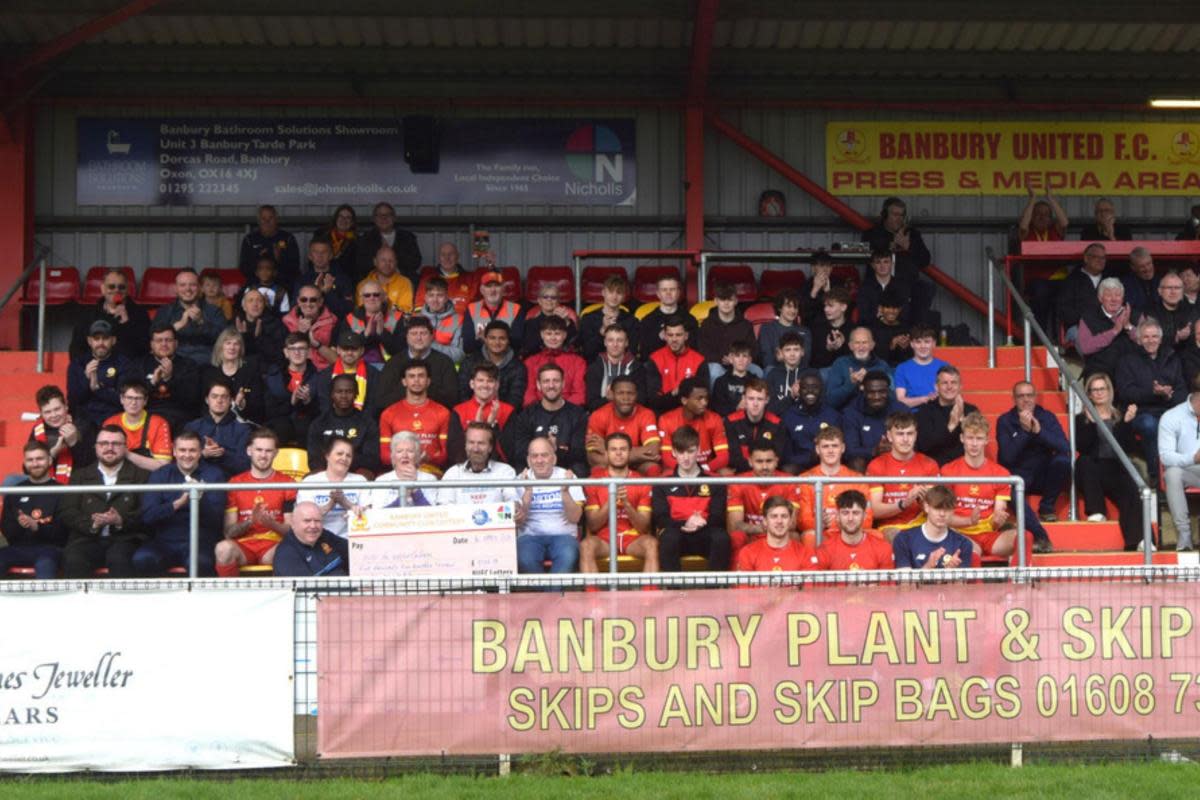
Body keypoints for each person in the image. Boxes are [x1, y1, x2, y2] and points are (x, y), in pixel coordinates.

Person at [59, 424, 149, 578]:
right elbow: (67, 511)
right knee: (74, 558)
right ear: (95, 447)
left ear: (125, 447)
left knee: (119, 558)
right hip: (86, 538)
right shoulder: (79, 476)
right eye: (104, 444)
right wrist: (92, 524)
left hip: (126, 539)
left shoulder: (142, 476)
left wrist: (121, 521)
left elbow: (147, 512)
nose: (109, 448)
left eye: (116, 444)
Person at [135, 431, 226, 576]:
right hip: (164, 540)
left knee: (199, 563)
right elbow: (147, 516)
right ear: (174, 452)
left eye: (192, 450)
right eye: (182, 450)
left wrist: (199, 499)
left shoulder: (214, 474)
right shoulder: (160, 474)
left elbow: (217, 520)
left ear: (200, 452)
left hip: (199, 541)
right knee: (143, 558)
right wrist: (177, 504)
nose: (187, 455)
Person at [940, 413, 1023, 560]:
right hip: (959, 533)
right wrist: (969, 521)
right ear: (962, 439)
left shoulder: (1000, 473)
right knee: (972, 551)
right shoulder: (948, 471)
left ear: (986, 440)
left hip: (989, 534)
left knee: (1023, 537)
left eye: (979, 439)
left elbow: (997, 517)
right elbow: (944, 517)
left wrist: (998, 519)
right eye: (970, 438)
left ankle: (1018, 582)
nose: (974, 443)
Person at [1115, 318, 1186, 486]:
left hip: (1169, 410)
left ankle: (1187, 475)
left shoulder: (1172, 358)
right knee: (1150, 425)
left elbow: (1182, 392)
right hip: (1140, 413)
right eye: (1146, 337)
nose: (1151, 340)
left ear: (1160, 339)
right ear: (1139, 339)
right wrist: (1153, 393)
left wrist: (1168, 396)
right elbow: (1126, 392)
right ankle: (1157, 475)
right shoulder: (1127, 360)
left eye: (1154, 336)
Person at [216, 428, 296, 576]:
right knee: (223, 549)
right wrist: (250, 522)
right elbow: (228, 532)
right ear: (249, 451)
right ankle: (229, 597)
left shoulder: (287, 483)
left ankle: (279, 597)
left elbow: (292, 531)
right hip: (244, 547)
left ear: (276, 453)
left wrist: (270, 523)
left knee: (291, 550)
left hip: (273, 547)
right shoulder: (235, 483)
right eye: (259, 450)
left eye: (268, 451)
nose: (263, 455)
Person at [1076, 372, 1142, 549]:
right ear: (1088, 394)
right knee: (1084, 462)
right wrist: (1091, 424)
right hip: (1094, 469)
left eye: (1102, 389)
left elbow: (1127, 447)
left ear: (1109, 391)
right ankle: (1097, 511)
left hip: (1115, 468)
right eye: (1094, 390)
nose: (1098, 393)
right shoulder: (1081, 419)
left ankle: (1138, 541)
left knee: (1131, 488)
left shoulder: (1119, 416)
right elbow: (1082, 447)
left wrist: (1126, 423)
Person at [652, 426, 731, 572]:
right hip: (677, 531)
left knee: (721, 538)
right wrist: (685, 522)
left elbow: (718, 517)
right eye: (681, 452)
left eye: (690, 451)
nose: (686, 458)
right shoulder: (662, 482)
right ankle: (674, 593)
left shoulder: (715, 481)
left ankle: (715, 592)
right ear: (673, 452)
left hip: (705, 531)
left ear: (699, 450)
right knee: (668, 538)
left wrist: (702, 523)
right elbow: (660, 518)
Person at [580, 433, 659, 574]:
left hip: (633, 538)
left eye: (623, 449)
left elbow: (643, 526)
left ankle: (650, 596)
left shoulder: (642, 482)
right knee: (586, 546)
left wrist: (626, 504)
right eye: (613, 449)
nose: (618, 453)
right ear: (606, 453)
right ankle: (592, 596)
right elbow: (593, 525)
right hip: (604, 539)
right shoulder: (594, 481)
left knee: (652, 544)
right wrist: (612, 501)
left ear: (629, 452)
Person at [997, 381, 1072, 523]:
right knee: (1008, 481)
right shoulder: (1005, 420)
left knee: (1063, 461)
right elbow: (1006, 458)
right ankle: (1029, 521)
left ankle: (1047, 508)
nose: (1026, 400)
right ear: (1014, 398)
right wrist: (1024, 432)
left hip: (1043, 476)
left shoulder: (1047, 417)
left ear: (1035, 397)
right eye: (1021, 396)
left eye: (1029, 395)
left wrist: (1039, 432)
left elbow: (1064, 447)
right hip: (1019, 475)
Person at [792, 426, 873, 544]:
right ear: (817, 449)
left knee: (875, 535)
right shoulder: (805, 479)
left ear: (843, 448)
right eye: (825, 446)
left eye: (834, 446)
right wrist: (820, 523)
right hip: (821, 533)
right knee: (810, 535)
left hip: (851, 533)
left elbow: (868, 520)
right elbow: (802, 521)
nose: (830, 451)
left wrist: (840, 523)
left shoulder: (857, 479)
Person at [514, 436, 583, 575]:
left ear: (554, 458)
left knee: (568, 556)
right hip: (530, 537)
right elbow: (518, 521)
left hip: (563, 536)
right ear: (528, 460)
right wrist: (528, 491)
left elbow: (575, 517)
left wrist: (565, 492)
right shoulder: (520, 479)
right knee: (525, 559)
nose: (539, 460)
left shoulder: (568, 476)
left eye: (544, 455)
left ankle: (546, 595)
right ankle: (550, 595)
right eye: (534, 456)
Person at [867, 411, 940, 539]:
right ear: (889, 436)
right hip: (890, 527)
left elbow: (937, 511)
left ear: (916, 435)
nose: (906, 439)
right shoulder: (876, 465)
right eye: (900, 434)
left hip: (923, 527)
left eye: (910, 433)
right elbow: (875, 510)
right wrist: (904, 503)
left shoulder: (929, 464)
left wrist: (923, 501)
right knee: (900, 540)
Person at [507, 363, 589, 477]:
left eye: (556, 381)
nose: (551, 385)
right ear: (538, 385)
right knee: (520, 469)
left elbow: (580, 453)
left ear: (563, 384)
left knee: (580, 468)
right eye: (546, 381)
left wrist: (557, 451)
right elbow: (520, 452)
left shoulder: (578, 414)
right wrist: (545, 449)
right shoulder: (526, 415)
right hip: (535, 468)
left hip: (566, 469)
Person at [0, 442, 67, 579]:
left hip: (51, 549)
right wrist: (20, 525)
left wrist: (37, 527)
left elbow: (64, 533)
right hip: (17, 548)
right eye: (30, 460)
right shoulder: (14, 492)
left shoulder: (63, 491)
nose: (35, 464)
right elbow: (7, 530)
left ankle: (45, 601)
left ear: (49, 460)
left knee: (45, 563)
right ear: (24, 463)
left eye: (39, 459)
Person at [861, 197, 933, 322]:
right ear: (884, 215)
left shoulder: (912, 234)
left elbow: (925, 260)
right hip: (879, 282)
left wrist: (908, 246)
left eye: (902, 215)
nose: (899, 218)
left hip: (907, 283)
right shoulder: (871, 234)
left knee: (925, 288)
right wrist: (891, 245)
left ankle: (917, 333)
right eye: (895, 214)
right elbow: (868, 257)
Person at [726, 439, 796, 565]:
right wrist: (761, 528)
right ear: (750, 461)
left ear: (776, 461)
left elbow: (792, 523)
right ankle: (737, 582)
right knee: (736, 537)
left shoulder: (788, 481)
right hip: (752, 534)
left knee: (795, 536)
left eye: (769, 461)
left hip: (779, 532)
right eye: (759, 461)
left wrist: (769, 529)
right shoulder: (738, 482)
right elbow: (735, 525)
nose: (764, 467)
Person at [377, 359, 452, 474]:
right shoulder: (389, 414)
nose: (416, 380)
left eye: (421, 376)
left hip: (431, 472)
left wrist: (430, 458)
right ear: (404, 381)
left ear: (428, 381)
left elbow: (446, 454)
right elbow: (384, 455)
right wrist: (407, 460)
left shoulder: (443, 413)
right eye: (411, 376)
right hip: (399, 472)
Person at [374, 316, 460, 410]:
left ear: (432, 336)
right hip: (401, 417)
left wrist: (425, 388)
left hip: (434, 417)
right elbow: (380, 402)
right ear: (406, 337)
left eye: (423, 333)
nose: (419, 338)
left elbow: (453, 400)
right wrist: (409, 389)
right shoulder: (393, 363)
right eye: (414, 333)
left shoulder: (445, 363)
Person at [68, 268, 150, 362]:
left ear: (127, 289)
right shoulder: (88, 315)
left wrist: (127, 325)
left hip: (129, 370)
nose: (116, 290)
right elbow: (76, 349)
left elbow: (145, 348)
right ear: (102, 289)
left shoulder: (140, 314)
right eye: (111, 287)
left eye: (121, 287)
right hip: (97, 369)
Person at [585, 375, 661, 475]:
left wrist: (610, 449)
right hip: (609, 465)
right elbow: (593, 458)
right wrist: (637, 454)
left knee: (653, 468)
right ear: (611, 395)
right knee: (597, 470)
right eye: (620, 393)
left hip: (635, 465)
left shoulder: (646, 414)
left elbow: (653, 450)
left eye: (630, 393)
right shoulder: (598, 415)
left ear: (637, 395)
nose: (626, 398)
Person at [296, 437, 369, 540]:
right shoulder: (310, 481)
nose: (344, 458)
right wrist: (330, 504)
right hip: (318, 539)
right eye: (339, 454)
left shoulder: (360, 480)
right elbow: (304, 518)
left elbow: (369, 516)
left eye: (348, 455)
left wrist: (345, 502)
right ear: (327, 455)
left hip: (352, 539)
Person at [307, 374, 381, 476]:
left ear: (356, 394)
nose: (344, 396)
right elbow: (314, 460)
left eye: (349, 391)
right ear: (332, 394)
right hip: (327, 473)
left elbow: (371, 459)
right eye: (339, 391)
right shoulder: (319, 423)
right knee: (312, 475)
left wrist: (342, 461)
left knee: (367, 474)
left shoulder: (367, 422)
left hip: (356, 473)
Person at [1159, 373, 1200, 551]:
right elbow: (1166, 457)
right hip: (1190, 469)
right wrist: (1193, 457)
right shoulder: (1172, 417)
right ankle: (1184, 535)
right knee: (1172, 473)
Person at [437, 422, 521, 507]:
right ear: (465, 445)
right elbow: (444, 510)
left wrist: (516, 507)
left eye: (481, 443)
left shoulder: (504, 471)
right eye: (471, 442)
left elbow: (512, 501)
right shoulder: (452, 474)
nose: (476, 449)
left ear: (490, 447)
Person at [891, 485, 975, 570]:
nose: (942, 514)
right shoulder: (904, 539)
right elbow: (905, 583)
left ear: (953, 511)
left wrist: (952, 575)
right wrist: (927, 568)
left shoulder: (963, 544)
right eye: (937, 508)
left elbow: (962, 583)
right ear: (926, 507)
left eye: (947, 509)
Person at [657, 378, 730, 474]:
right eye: (699, 399)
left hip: (705, 468)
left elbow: (723, 456)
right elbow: (666, 458)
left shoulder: (714, 419)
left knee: (726, 473)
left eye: (706, 398)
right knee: (667, 473)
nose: (704, 403)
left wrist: (702, 469)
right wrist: (686, 470)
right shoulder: (666, 420)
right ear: (684, 400)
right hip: (678, 469)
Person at [137, 324, 201, 432]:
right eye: (159, 340)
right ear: (151, 344)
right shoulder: (140, 365)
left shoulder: (189, 365)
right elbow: (134, 399)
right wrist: (152, 383)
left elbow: (192, 400)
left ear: (176, 343)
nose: (164, 344)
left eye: (168, 340)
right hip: (149, 416)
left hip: (180, 417)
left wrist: (169, 379)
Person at [184, 378, 252, 478]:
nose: (219, 400)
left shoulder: (243, 430)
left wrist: (222, 454)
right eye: (214, 396)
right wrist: (203, 454)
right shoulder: (192, 427)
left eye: (224, 397)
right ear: (207, 400)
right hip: (196, 483)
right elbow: (181, 461)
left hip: (230, 484)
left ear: (231, 401)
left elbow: (246, 466)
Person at [156, 268, 226, 365]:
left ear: (200, 288)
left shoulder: (214, 311)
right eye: (182, 285)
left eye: (192, 285)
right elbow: (154, 341)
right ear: (175, 289)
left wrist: (202, 322)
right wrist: (177, 326)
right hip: (173, 363)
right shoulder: (165, 311)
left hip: (206, 364)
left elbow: (225, 339)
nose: (187, 289)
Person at [28, 385, 96, 484]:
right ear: (41, 414)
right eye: (47, 412)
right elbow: (27, 468)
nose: (54, 415)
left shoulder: (83, 424)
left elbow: (92, 464)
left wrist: (74, 443)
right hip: (46, 480)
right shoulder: (38, 430)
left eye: (57, 409)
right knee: (11, 480)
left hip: (79, 480)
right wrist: (52, 454)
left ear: (66, 407)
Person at [67, 319, 129, 426]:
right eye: (96, 339)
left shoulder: (123, 363)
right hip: (84, 419)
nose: (101, 343)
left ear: (113, 340)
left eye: (105, 338)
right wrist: (85, 378)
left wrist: (98, 388)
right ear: (89, 341)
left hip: (113, 417)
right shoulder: (78, 364)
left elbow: (124, 400)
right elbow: (73, 400)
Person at [583, 323, 657, 411]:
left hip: (630, 418)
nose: (615, 344)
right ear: (605, 342)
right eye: (610, 340)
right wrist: (607, 399)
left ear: (626, 343)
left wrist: (615, 396)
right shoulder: (594, 368)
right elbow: (591, 404)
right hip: (602, 418)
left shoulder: (637, 368)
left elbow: (642, 400)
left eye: (620, 340)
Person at [1078, 276, 1142, 378]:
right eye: (1108, 295)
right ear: (1100, 298)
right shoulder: (1088, 318)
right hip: (1100, 371)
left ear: (1122, 298)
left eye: (1117, 295)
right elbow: (1086, 347)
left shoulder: (1136, 315)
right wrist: (1114, 331)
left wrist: (1129, 327)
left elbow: (1148, 341)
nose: (1114, 299)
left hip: (1133, 370)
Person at [734, 495, 818, 573]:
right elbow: (744, 588)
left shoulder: (806, 553)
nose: (779, 521)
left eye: (784, 516)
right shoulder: (747, 553)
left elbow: (809, 588)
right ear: (765, 521)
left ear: (790, 521)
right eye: (774, 516)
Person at [262, 333, 319, 446]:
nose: (297, 352)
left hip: (307, 431)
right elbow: (269, 411)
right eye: (292, 349)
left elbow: (322, 412)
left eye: (301, 348)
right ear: (286, 352)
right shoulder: (273, 376)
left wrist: (307, 402)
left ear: (308, 352)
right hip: (280, 430)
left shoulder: (319, 378)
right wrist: (291, 403)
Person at [816, 490, 895, 571]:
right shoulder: (825, 550)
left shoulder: (883, 548)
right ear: (838, 516)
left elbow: (888, 583)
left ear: (864, 516)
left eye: (856, 513)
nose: (850, 518)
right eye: (845, 513)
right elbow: (819, 583)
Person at [915, 365, 979, 466]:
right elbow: (924, 445)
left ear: (960, 386)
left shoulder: (971, 411)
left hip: (964, 469)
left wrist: (963, 421)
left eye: (954, 382)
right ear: (936, 387)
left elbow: (977, 444)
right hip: (934, 469)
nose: (949, 387)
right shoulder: (925, 411)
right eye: (945, 383)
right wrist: (951, 425)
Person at [842, 371, 904, 472]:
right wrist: (874, 450)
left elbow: (913, 444)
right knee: (856, 462)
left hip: (896, 458)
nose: (877, 397)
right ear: (864, 391)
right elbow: (849, 450)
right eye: (871, 392)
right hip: (867, 461)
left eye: (881, 392)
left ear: (888, 391)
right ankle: (860, 488)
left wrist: (896, 447)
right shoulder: (851, 412)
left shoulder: (901, 410)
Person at [105, 379, 172, 473]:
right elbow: (105, 460)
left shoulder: (159, 423)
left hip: (148, 479)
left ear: (145, 401)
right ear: (121, 399)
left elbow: (164, 466)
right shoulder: (110, 422)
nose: (133, 402)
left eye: (138, 398)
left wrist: (126, 454)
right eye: (129, 398)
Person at [453, 363, 516, 462]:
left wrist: (492, 427)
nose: (485, 385)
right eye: (480, 380)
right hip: (466, 469)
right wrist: (476, 427)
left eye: (490, 381)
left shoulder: (508, 410)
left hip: (499, 468)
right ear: (472, 384)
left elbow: (510, 452)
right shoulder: (459, 410)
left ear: (497, 385)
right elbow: (455, 452)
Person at [458, 320, 526, 410]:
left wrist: (499, 414)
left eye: (502, 338)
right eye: (492, 338)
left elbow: (515, 398)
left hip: (504, 416)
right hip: (472, 413)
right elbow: (462, 392)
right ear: (485, 339)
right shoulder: (470, 362)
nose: (497, 342)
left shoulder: (518, 366)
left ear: (508, 340)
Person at [648, 315, 710, 414]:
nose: (674, 339)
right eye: (670, 335)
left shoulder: (699, 360)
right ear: (665, 336)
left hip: (691, 413)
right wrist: (674, 394)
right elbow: (653, 400)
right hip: (663, 413)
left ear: (686, 336)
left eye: (678, 335)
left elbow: (704, 396)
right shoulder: (655, 359)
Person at [781, 373, 842, 472]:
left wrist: (821, 455)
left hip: (827, 464)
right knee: (788, 469)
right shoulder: (789, 416)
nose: (810, 391)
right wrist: (808, 458)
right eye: (805, 388)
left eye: (815, 387)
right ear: (799, 391)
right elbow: (785, 456)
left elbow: (839, 449)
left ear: (821, 391)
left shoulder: (833, 416)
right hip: (799, 466)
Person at [202, 328, 265, 423]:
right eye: (228, 343)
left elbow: (259, 406)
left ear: (241, 348)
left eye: (236, 344)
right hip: (215, 421)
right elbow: (203, 406)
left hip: (244, 422)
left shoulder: (251, 371)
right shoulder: (209, 373)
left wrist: (243, 406)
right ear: (220, 347)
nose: (232, 347)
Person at [271, 501, 349, 577]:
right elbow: (306, 588)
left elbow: (352, 552)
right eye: (307, 521)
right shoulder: (286, 555)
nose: (313, 526)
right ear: (293, 524)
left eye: (317, 521)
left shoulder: (323, 535)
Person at [522, 315, 586, 407]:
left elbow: (579, 394)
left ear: (564, 335)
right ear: (542, 335)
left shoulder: (578, 362)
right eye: (549, 333)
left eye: (557, 333)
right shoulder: (530, 362)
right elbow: (529, 394)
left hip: (569, 413)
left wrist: (562, 410)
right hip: (537, 413)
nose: (553, 338)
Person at [724, 378, 786, 473]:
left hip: (768, 473)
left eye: (760, 399)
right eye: (751, 399)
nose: (755, 404)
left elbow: (778, 458)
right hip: (740, 473)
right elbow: (733, 458)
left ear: (767, 400)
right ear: (744, 399)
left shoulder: (777, 424)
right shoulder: (731, 421)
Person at [823, 327, 892, 410]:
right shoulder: (841, 363)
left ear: (872, 345)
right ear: (850, 346)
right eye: (857, 343)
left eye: (865, 342)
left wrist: (870, 383)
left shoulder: (882, 365)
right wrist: (851, 384)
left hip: (877, 414)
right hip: (846, 415)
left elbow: (893, 397)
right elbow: (830, 401)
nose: (861, 347)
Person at [311, 330, 378, 414]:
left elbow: (373, 405)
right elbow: (325, 406)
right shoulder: (326, 375)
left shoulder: (373, 374)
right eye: (345, 349)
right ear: (338, 350)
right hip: (333, 423)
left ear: (362, 351)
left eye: (354, 349)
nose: (349, 352)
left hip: (364, 423)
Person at [342, 279, 405, 368]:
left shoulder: (397, 317)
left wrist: (382, 333)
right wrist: (365, 335)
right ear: (361, 299)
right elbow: (345, 349)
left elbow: (400, 351)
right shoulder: (350, 318)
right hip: (357, 367)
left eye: (376, 295)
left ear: (383, 297)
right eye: (367, 295)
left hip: (390, 367)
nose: (372, 298)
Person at [355, 201, 421, 284]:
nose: (384, 218)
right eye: (380, 215)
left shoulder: (407, 237)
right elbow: (361, 263)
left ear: (394, 218)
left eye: (388, 215)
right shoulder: (365, 238)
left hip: (402, 278)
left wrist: (392, 256)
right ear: (374, 219)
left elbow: (416, 261)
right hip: (375, 282)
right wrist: (381, 267)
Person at [1057, 243, 1111, 344]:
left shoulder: (1110, 280)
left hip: (1107, 327)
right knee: (1088, 342)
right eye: (1096, 257)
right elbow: (1064, 311)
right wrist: (1086, 319)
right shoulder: (1071, 281)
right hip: (1078, 328)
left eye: (1103, 258)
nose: (1101, 261)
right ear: (1086, 258)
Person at [635, 274, 698, 360]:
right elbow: (643, 354)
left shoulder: (690, 320)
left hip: (684, 366)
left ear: (679, 292)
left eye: (672, 289)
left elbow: (695, 350)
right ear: (658, 293)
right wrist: (659, 338)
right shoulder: (648, 321)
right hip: (655, 367)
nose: (668, 293)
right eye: (664, 290)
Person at [578, 274, 637, 361]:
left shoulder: (631, 320)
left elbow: (632, 352)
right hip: (595, 367)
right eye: (610, 291)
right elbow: (587, 353)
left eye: (619, 292)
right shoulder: (588, 319)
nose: (614, 297)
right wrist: (602, 331)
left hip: (623, 368)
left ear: (624, 296)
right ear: (603, 293)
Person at [370, 431, 438, 508]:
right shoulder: (381, 481)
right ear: (393, 456)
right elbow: (379, 516)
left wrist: (415, 489)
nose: (405, 455)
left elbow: (432, 515)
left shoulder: (429, 479)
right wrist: (403, 497)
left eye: (410, 451)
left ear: (417, 456)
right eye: (399, 451)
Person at [464, 270, 524, 354]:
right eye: (488, 286)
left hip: (506, 359)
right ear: (482, 290)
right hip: (479, 359)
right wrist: (502, 338)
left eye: (497, 286)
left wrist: (483, 338)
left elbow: (517, 343)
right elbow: (467, 346)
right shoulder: (472, 308)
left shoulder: (516, 308)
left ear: (503, 289)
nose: (493, 290)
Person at [697, 282, 757, 365]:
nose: (726, 303)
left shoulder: (745, 325)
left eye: (730, 299)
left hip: (741, 365)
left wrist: (736, 359)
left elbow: (753, 351)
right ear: (716, 301)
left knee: (757, 371)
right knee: (714, 369)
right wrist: (722, 359)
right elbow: (703, 352)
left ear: (736, 301)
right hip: (717, 364)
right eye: (722, 299)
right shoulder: (707, 325)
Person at [239, 204, 300, 286]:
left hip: (283, 284)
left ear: (276, 219)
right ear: (258, 221)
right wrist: (258, 259)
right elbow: (244, 269)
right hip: (255, 285)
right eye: (263, 218)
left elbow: (295, 268)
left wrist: (279, 258)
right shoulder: (249, 239)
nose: (267, 222)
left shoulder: (288, 238)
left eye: (270, 218)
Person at [282, 284, 339, 371]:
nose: (308, 304)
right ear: (298, 301)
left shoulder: (333, 322)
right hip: (296, 372)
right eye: (304, 300)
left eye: (313, 300)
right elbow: (283, 357)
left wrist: (316, 343)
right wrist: (300, 335)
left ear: (320, 302)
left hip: (323, 372)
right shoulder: (286, 321)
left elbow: (336, 360)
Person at [296, 237, 354, 318]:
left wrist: (328, 293)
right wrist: (319, 292)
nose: (320, 256)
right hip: (311, 325)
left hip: (338, 326)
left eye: (324, 252)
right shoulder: (302, 281)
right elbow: (296, 310)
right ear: (309, 256)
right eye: (316, 252)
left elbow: (348, 310)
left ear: (331, 255)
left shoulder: (343, 279)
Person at [413, 241, 477, 315]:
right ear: (439, 257)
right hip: (432, 324)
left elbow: (475, 310)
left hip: (461, 324)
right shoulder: (428, 277)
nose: (447, 258)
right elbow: (419, 308)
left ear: (458, 256)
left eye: (451, 254)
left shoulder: (469, 279)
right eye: (443, 254)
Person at [857, 249, 914, 329]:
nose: (882, 266)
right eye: (878, 262)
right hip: (871, 329)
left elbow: (905, 313)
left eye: (886, 262)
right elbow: (863, 315)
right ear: (873, 265)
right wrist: (880, 315)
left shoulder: (902, 286)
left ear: (892, 264)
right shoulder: (865, 287)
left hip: (897, 329)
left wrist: (887, 315)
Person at [893, 326, 948, 409]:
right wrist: (925, 399)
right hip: (912, 416)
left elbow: (952, 395)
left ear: (934, 344)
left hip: (939, 412)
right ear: (912, 344)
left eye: (927, 342)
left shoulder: (944, 366)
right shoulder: (902, 369)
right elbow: (901, 401)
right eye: (918, 342)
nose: (923, 346)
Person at [415, 276, 465, 364]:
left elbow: (459, 355)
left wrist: (430, 345)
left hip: (446, 371)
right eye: (431, 295)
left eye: (440, 295)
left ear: (446, 298)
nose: (435, 300)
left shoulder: (458, 320)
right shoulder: (416, 318)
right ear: (425, 297)